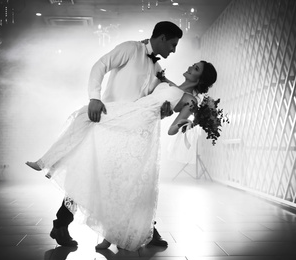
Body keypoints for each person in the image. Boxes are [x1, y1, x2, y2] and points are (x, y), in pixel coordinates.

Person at [26, 60, 217, 251]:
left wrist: (189, 123)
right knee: (85, 115)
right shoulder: (169, 83)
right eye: (194, 65)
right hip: (130, 111)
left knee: (120, 177)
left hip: (140, 126)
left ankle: (110, 235)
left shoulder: (191, 100)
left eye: (196, 68)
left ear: (200, 79)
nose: (191, 67)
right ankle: (48, 160)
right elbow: (155, 87)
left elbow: (173, 129)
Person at [27, 21, 183, 248]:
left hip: (130, 133)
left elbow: (150, 104)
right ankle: (61, 225)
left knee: (131, 183)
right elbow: (100, 65)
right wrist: (94, 97)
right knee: (87, 177)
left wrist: (165, 111)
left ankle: (143, 231)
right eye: (173, 44)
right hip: (106, 124)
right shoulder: (131, 48)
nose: (173, 50)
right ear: (161, 38)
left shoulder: (158, 70)